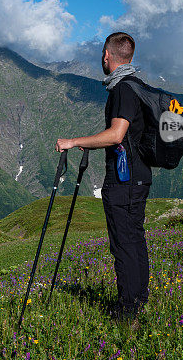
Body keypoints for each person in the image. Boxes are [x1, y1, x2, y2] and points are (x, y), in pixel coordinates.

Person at [55, 31, 151, 319]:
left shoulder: (123, 89)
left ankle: (126, 310)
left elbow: (116, 134)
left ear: (107, 56)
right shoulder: (139, 86)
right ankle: (138, 300)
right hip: (140, 175)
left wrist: (75, 142)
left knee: (123, 243)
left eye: (102, 55)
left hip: (124, 181)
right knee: (135, 239)